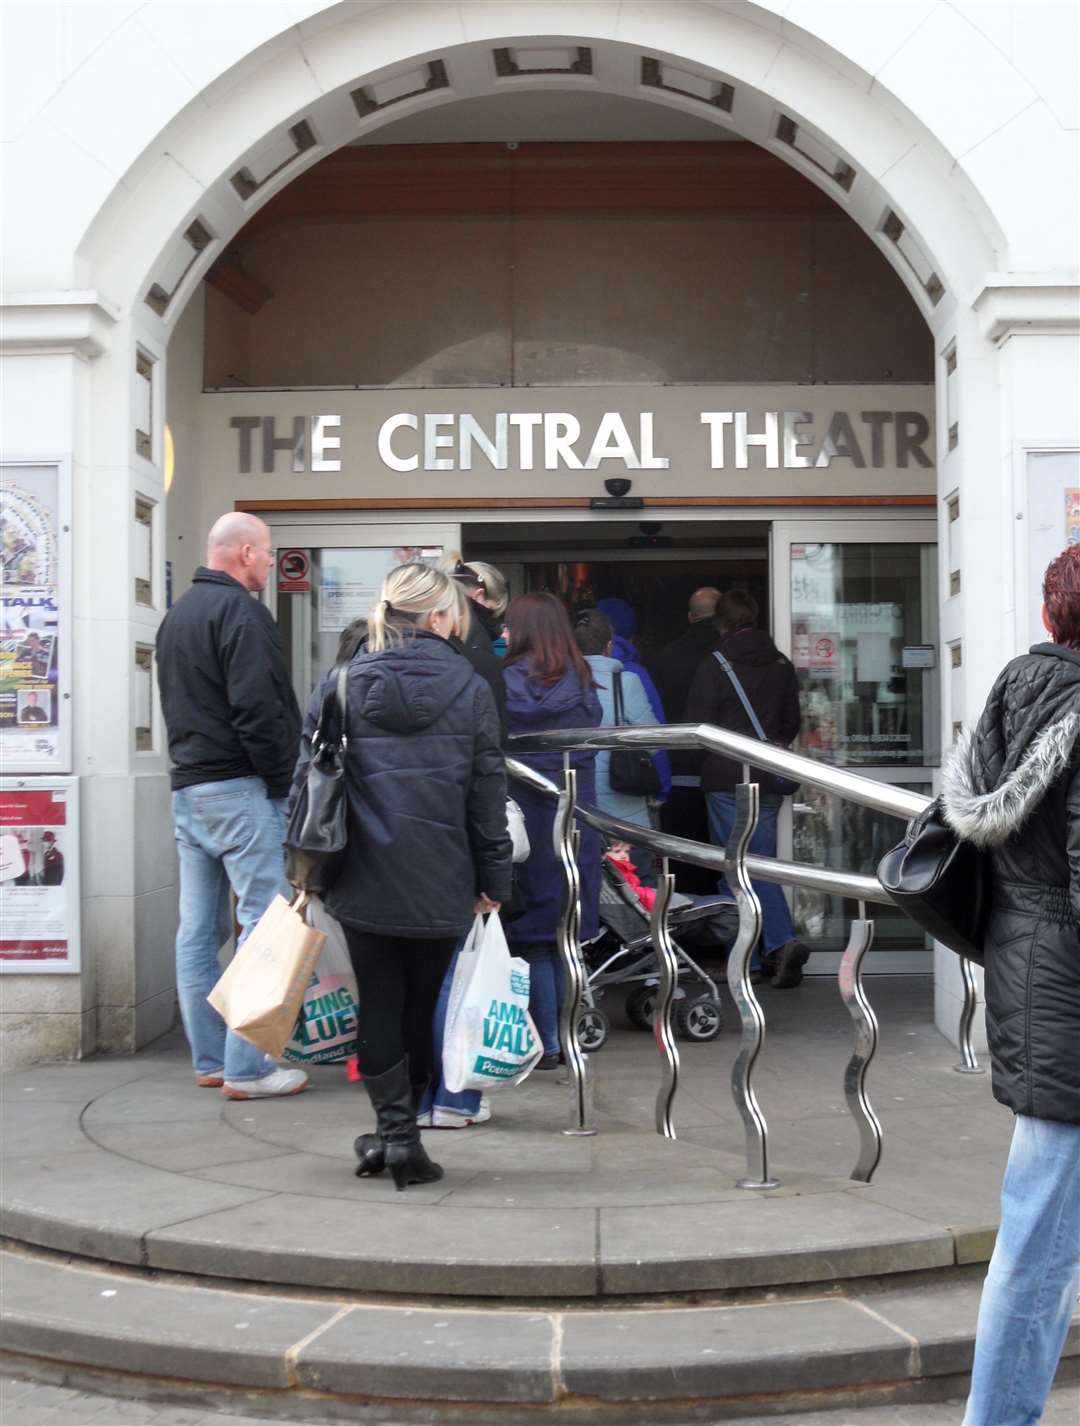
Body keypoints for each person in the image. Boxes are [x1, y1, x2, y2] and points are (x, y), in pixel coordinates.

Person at [294, 563, 512, 1189]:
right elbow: (486, 794)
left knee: (379, 1003)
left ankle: (396, 1136)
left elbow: (306, 780)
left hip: (361, 872)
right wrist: (495, 876)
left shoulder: (340, 682)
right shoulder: (470, 688)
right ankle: (402, 1136)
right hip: (445, 873)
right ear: (441, 617)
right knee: (421, 1006)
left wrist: (304, 871)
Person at [942, 546, 1080, 1426]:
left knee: (1036, 1233)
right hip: (1070, 997)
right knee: (1039, 1245)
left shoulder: (1015, 691)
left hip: (1032, 979)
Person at [156, 512, 307, 1100]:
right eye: (267, 553)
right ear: (245, 552)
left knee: (197, 929)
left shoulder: (177, 617)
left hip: (189, 790)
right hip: (240, 788)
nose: (271, 563)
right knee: (264, 926)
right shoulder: (243, 613)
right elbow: (259, 710)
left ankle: (213, 1060)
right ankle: (249, 1068)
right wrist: (283, 782)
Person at [416, 556, 512, 1129]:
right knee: (454, 973)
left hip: (386, 846)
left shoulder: (361, 668)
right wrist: (493, 875)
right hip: (450, 837)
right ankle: (453, 1097)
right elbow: (486, 773)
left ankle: (414, 1104)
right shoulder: (473, 669)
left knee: (407, 981)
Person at [685, 589, 807, 987]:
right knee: (759, 864)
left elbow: (698, 723)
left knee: (736, 868)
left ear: (721, 622)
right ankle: (759, 955)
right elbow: (791, 722)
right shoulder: (781, 663)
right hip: (769, 776)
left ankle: (769, 949)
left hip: (726, 778)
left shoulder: (714, 663)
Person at [504, 593, 602, 1069]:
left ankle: (547, 1041)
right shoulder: (584, 683)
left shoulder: (500, 684)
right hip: (576, 821)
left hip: (524, 824)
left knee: (531, 938)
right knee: (564, 935)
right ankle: (567, 1035)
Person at [573, 607, 659, 878]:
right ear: (609, 646)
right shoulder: (627, 682)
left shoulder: (557, 682)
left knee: (583, 897)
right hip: (625, 817)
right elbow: (654, 740)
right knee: (635, 895)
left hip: (577, 814)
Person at [652, 588, 724, 894]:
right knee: (726, 859)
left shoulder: (667, 656)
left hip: (677, 768)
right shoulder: (727, 654)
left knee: (680, 859)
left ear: (691, 617)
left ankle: (683, 926)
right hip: (726, 769)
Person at [595, 596, 671, 802]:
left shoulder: (566, 671)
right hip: (626, 789)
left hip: (577, 791)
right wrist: (662, 788)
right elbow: (656, 735)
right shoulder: (634, 674)